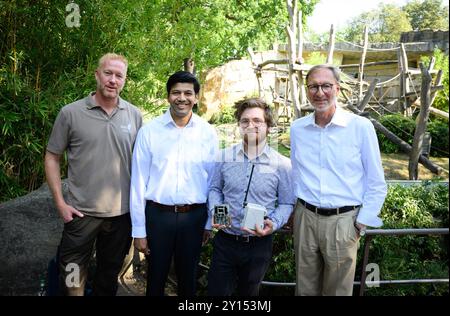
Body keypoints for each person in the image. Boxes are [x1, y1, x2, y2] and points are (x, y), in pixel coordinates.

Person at [44, 53, 143, 296]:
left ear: (125, 80)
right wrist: (60, 203)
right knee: (72, 274)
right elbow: (51, 157)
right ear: (97, 75)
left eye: (119, 75)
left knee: (108, 276)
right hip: (81, 214)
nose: (113, 80)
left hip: (121, 215)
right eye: (108, 73)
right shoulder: (71, 113)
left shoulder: (134, 115)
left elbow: (143, 163)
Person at [290, 64, 387, 296]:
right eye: (313, 86)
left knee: (338, 291)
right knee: (304, 288)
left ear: (338, 88)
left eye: (326, 86)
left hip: (343, 220)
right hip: (305, 217)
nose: (319, 92)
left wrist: (361, 221)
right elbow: (296, 173)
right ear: (306, 90)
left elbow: (376, 181)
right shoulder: (298, 128)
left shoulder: (360, 127)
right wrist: (294, 210)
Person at [130, 71, 218, 296]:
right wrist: (139, 230)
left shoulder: (207, 133)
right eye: (176, 92)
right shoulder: (149, 132)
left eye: (188, 93)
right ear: (168, 96)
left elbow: (213, 181)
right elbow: (138, 182)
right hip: (158, 216)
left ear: (196, 98)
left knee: (188, 280)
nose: (182, 98)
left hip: (194, 217)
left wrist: (208, 221)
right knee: (155, 279)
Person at [207, 98, 295, 296]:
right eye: (245, 121)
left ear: (268, 127)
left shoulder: (282, 164)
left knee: (249, 296)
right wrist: (216, 210)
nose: (251, 125)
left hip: (258, 244)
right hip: (225, 240)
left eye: (257, 121)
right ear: (239, 125)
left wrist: (274, 222)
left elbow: (287, 202)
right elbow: (214, 189)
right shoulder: (223, 156)